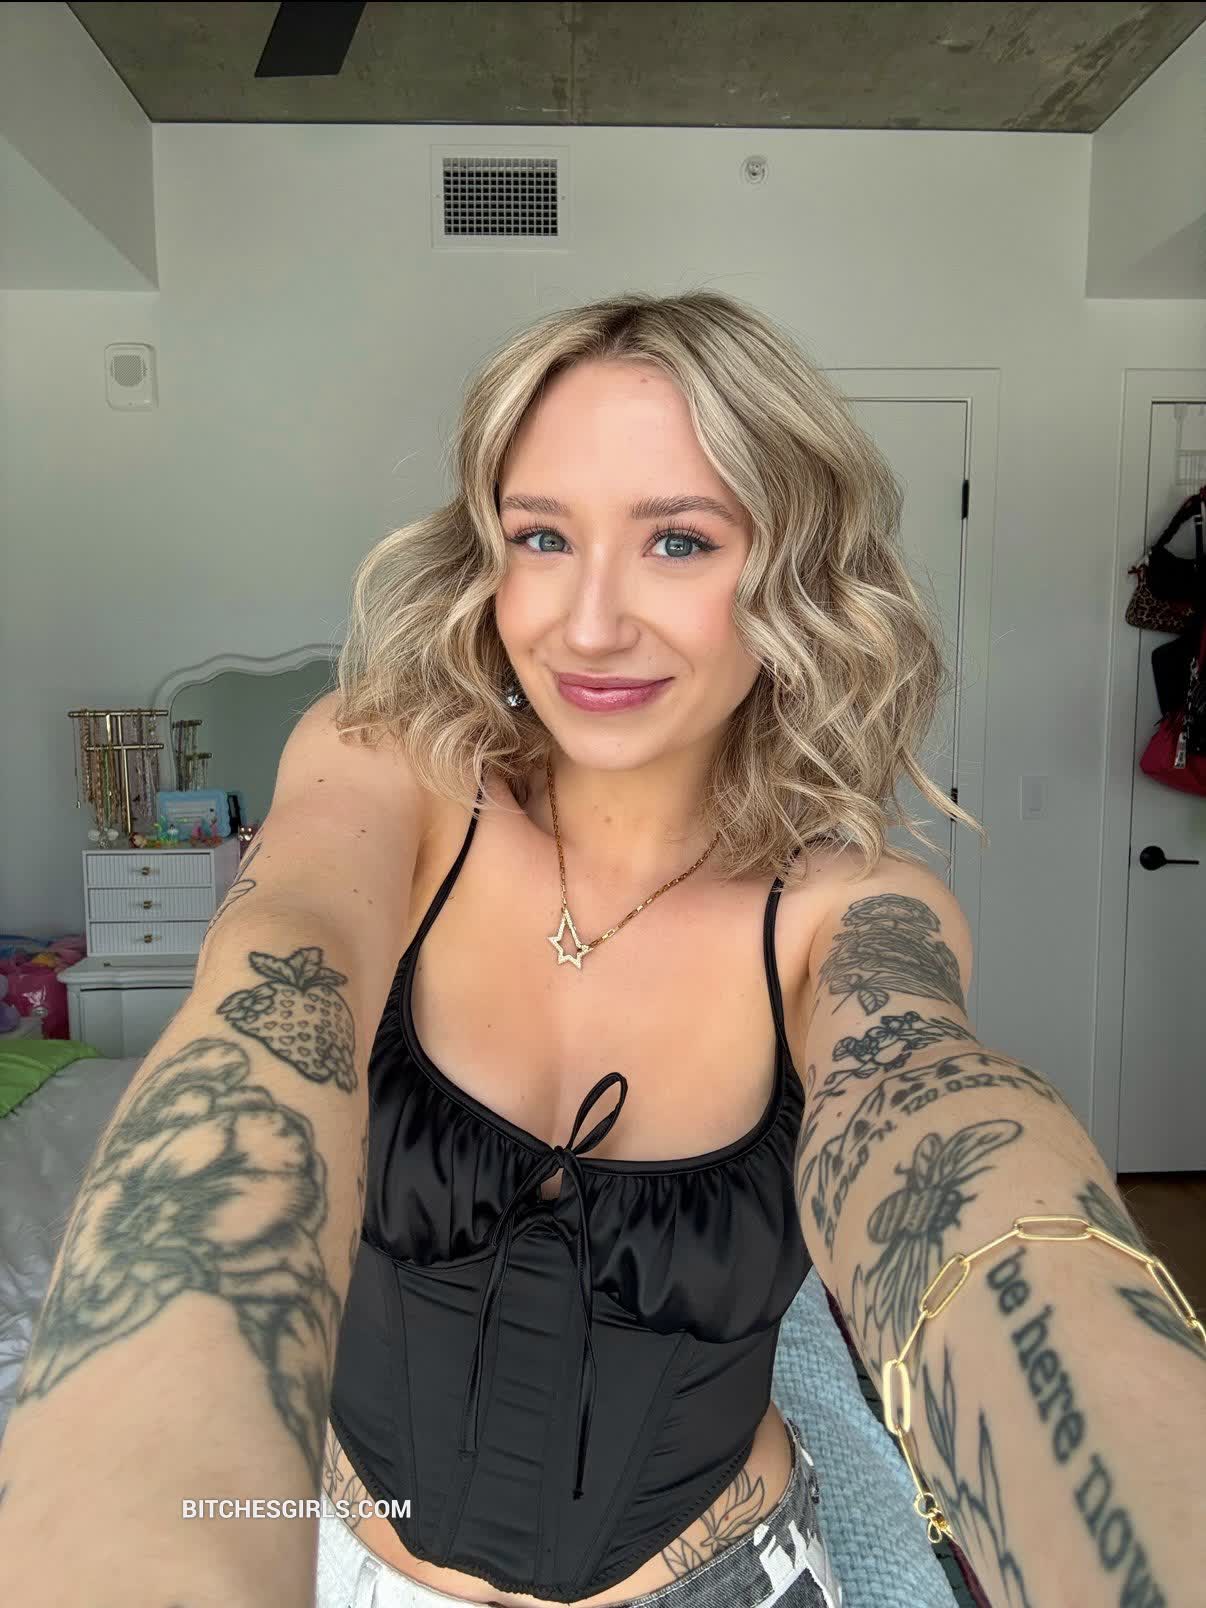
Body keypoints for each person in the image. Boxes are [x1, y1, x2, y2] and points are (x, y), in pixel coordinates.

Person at [3, 292, 1202, 1608]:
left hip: (725, 1576)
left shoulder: (850, 910)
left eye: (678, 540)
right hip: (347, 1556)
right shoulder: (387, 769)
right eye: (541, 537)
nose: (587, 624)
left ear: (795, 570)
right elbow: (261, 1017)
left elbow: (948, 1134)